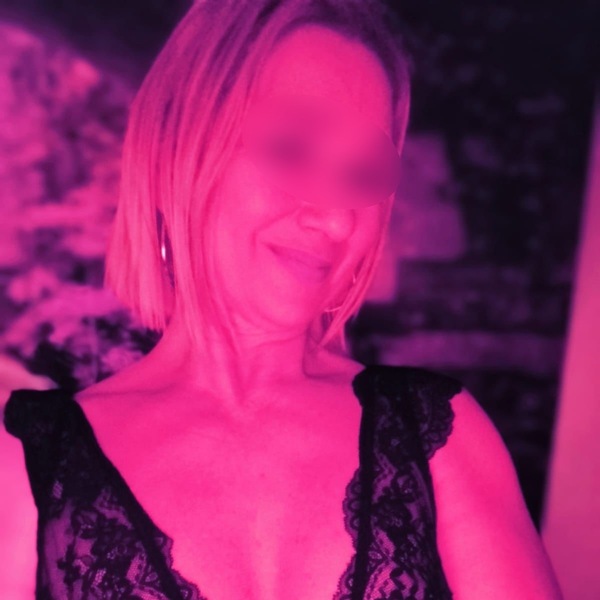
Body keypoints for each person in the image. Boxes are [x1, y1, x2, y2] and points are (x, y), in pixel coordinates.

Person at [2, 1, 562, 598]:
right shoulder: (25, 466)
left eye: (362, 175)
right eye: (292, 148)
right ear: (174, 150)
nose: (337, 220)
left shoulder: (440, 436)